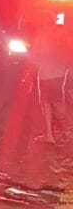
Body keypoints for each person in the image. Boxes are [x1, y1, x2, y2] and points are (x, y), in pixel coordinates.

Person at [32, 13, 69, 143]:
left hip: (46, 74)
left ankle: (57, 133)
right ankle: (54, 134)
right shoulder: (60, 34)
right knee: (53, 102)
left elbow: (39, 54)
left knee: (50, 103)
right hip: (58, 72)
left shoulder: (42, 36)